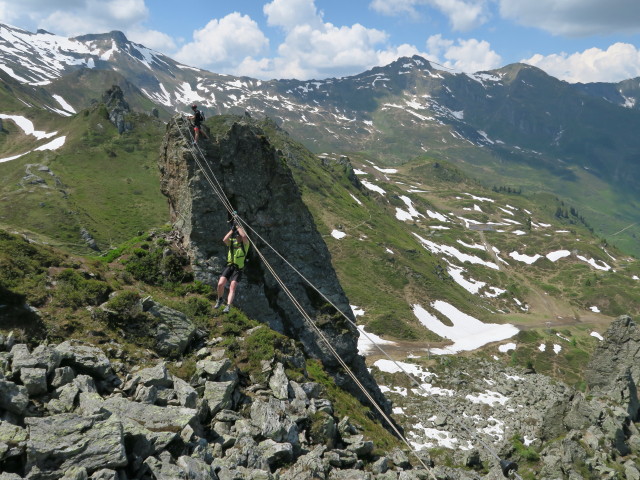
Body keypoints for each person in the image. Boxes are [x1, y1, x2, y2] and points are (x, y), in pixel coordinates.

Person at [215, 222, 250, 313]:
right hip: (229, 266)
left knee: (232, 286)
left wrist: (238, 227)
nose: (237, 237)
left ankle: (228, 306)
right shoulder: (232, 243)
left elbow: (245, 237)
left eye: (238, 236)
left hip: (238, 269)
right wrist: (232, 230)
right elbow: (224, 239)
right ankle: (220, 299)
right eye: (236, 236)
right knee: (220, 284)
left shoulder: (245, 245)